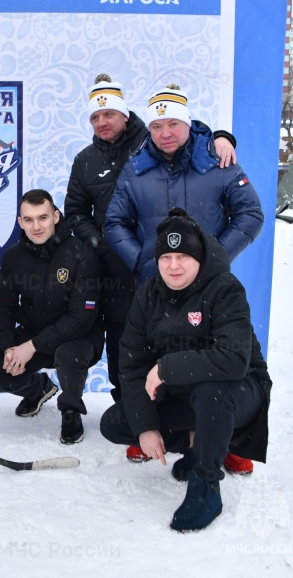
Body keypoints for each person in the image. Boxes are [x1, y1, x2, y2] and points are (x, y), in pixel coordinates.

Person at [64, 74, 237, 404]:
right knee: (125, 337)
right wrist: (100, 242)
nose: (102, 122)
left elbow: (187, 135)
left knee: (179, 333)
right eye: (95, 117)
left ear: (125, 114)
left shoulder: (150, 141)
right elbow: (74, 211)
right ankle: (128, 403)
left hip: (171, 262)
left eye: (109, 114)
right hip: (117, 266)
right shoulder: (85, 160)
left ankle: (180, 408)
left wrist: (221, 137)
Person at [100, 208, 271, 532]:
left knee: (213, 392)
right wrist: (146, 426)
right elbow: (133, 365)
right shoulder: (147, 294)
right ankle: (198, 445)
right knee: (118, 423)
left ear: (199, 257)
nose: (173, 265)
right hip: (187, 395)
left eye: (182, 256)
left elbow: (234, 360)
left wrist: (165, 368)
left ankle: (207, 485)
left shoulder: (225, 289)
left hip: (242, 390)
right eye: (166, 257)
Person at [104, 83, 263, 286]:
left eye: (173, 124)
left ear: (188, 123)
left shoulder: (217, 159)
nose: (165, 133)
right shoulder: (135, 168)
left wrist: (216, 257)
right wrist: (140, 259)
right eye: (157, 127)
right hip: (153, 283)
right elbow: (115, 222)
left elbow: (250, 214)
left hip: (208, 283)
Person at [0, 189, 103, 444]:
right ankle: (39, 390)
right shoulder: (13, 258)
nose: (36, 226)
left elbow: (80, 319)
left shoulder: (81, 254)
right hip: (36, 332)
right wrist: (8, 346)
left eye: (43, 218)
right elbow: (3, 306)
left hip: (80, 336)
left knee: (67, 354)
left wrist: (32, 346)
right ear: (20, 222)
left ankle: (71, 411)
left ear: (56, 217)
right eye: (28, 219)